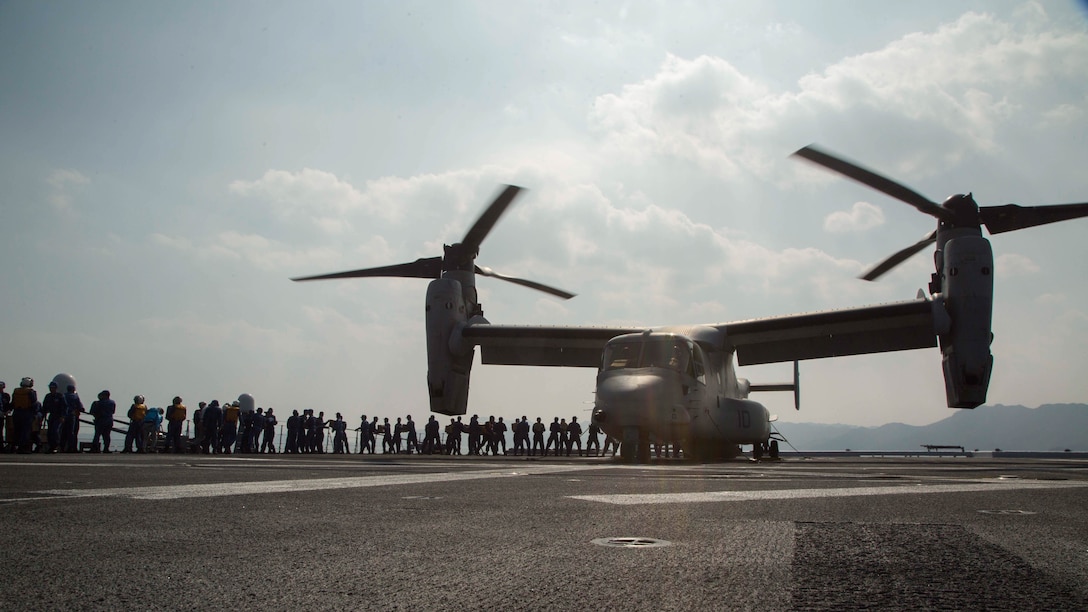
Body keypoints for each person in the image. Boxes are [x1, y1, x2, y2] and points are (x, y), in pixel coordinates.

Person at [11, 377, 38, 454]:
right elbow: (34, 404)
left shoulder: (16, 391)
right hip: (27, 413)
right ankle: (23, 448)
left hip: (16, 413)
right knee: (25, 431)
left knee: (17, 430)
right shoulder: (31, 392)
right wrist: (35, 413)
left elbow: (13, 403)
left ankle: (14, 446)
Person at [42, 381, 67, 453]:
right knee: (49, 432)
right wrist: (43, 416)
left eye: (53, 388)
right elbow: (45, 407)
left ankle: (55, 446)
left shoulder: (60, 396)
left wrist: (62, 416)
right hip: (51, 416)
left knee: (55, 431)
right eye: (50, 388)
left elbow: (64, 407)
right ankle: (50, 446)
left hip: (58, 416)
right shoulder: (48, 396)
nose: (51, 389)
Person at [62, 385, 84, 453]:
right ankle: (71, 447)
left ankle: (62, 447)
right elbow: (80, 407)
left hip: (63, 415)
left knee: (63, 432)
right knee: (72, 432)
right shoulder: (75, 396)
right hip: (72, 415)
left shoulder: (63, 396)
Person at [0, 381, 9, 451]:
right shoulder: (5, 396)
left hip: (2, 415)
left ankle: (1, 446)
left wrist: (7, 411)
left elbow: (7, 405)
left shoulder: (6, 396)